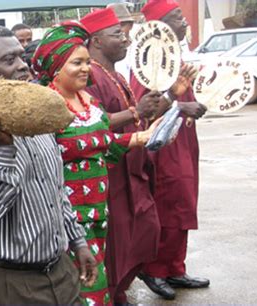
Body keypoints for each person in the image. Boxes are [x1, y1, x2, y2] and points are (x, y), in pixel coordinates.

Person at [0, 25, 97, 305]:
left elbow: (56, 191)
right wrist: (3, 151)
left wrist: (78, 242)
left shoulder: (38, 117)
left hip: (60, 273)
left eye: (21, 57)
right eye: (9, 61)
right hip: (4, 283)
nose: (24, 66)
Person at [32, 20, 161, 305]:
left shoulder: (89, 102)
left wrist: (143, 137)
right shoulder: (46, 108)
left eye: (87, 62)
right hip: (67, 220)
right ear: (55, 67)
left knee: (94, 279)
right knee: (82, 286)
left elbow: (104, 146)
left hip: (98, 212)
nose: (86, 69)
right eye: (76, 63)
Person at [80, 8, 162, 305]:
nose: (126, 39)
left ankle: (120, 292)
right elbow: (92, 122)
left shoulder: (115, 74)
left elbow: (135, 116)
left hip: (132, 170)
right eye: (117, 34)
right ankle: (113, 295)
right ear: (97, 41)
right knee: (117, 244)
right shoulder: (88, 74)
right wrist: (136, 112)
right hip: (112, 175)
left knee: (144, 234)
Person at [131, 0, 209, 300]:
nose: (183, 22)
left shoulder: (176, 54)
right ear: (160, 24)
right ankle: (154, 269)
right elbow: (144, 110)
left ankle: (176, 267)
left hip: (185, 141)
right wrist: (178, 102)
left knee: (185, 203)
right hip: (164, 146)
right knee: (167, 205)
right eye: (176, 17)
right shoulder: (148, 59)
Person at [107, 3, 135, 81]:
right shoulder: (106, 52)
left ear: (131, 25)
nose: (118, 30)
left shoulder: (140, 48)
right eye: (113, 26)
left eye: (122, 25)